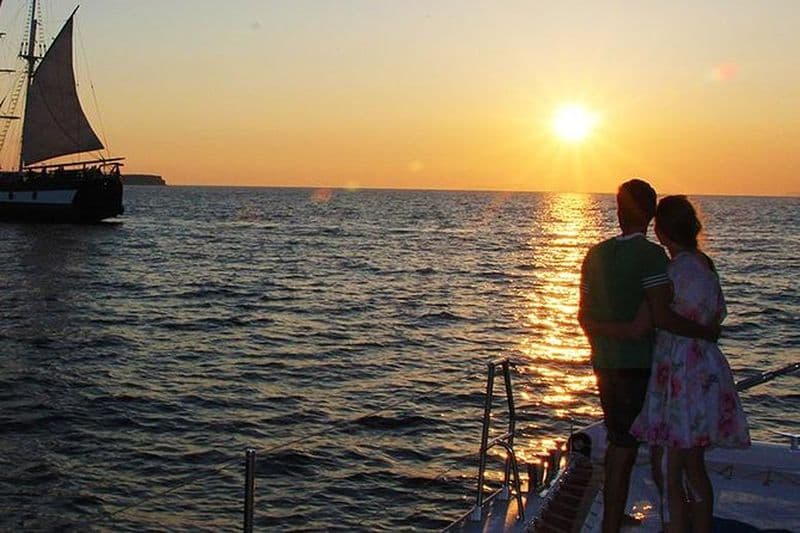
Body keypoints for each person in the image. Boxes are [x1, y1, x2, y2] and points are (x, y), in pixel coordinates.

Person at [578, 180, 718, 533]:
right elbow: (654, 320)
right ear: (651, 215)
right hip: (643, 368)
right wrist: (705, 334)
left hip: (605, 365)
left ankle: (614, 521)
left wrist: (600, 328)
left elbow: (584, 316)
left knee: (620, 447)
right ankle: (637, 523)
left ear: (618, 211)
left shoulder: (594, 255)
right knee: (656, 455)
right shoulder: (656, 258)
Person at [624, 196, 751, 532]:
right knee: (694, 463)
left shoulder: (671, 272)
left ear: (661, 232)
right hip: (706, 369)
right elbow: (717, 314)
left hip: (678, 369)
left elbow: (656, 318)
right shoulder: (706, 264)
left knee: (667, 462)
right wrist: (706, 332)